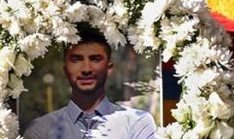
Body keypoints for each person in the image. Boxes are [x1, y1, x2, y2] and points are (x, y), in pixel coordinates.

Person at [23, 29, 156, 139]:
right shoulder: (41, 130)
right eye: (77, 59)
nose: (86, 69)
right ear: (65, 70)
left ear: (109, 68)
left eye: (95, 59)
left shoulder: (137, 123)